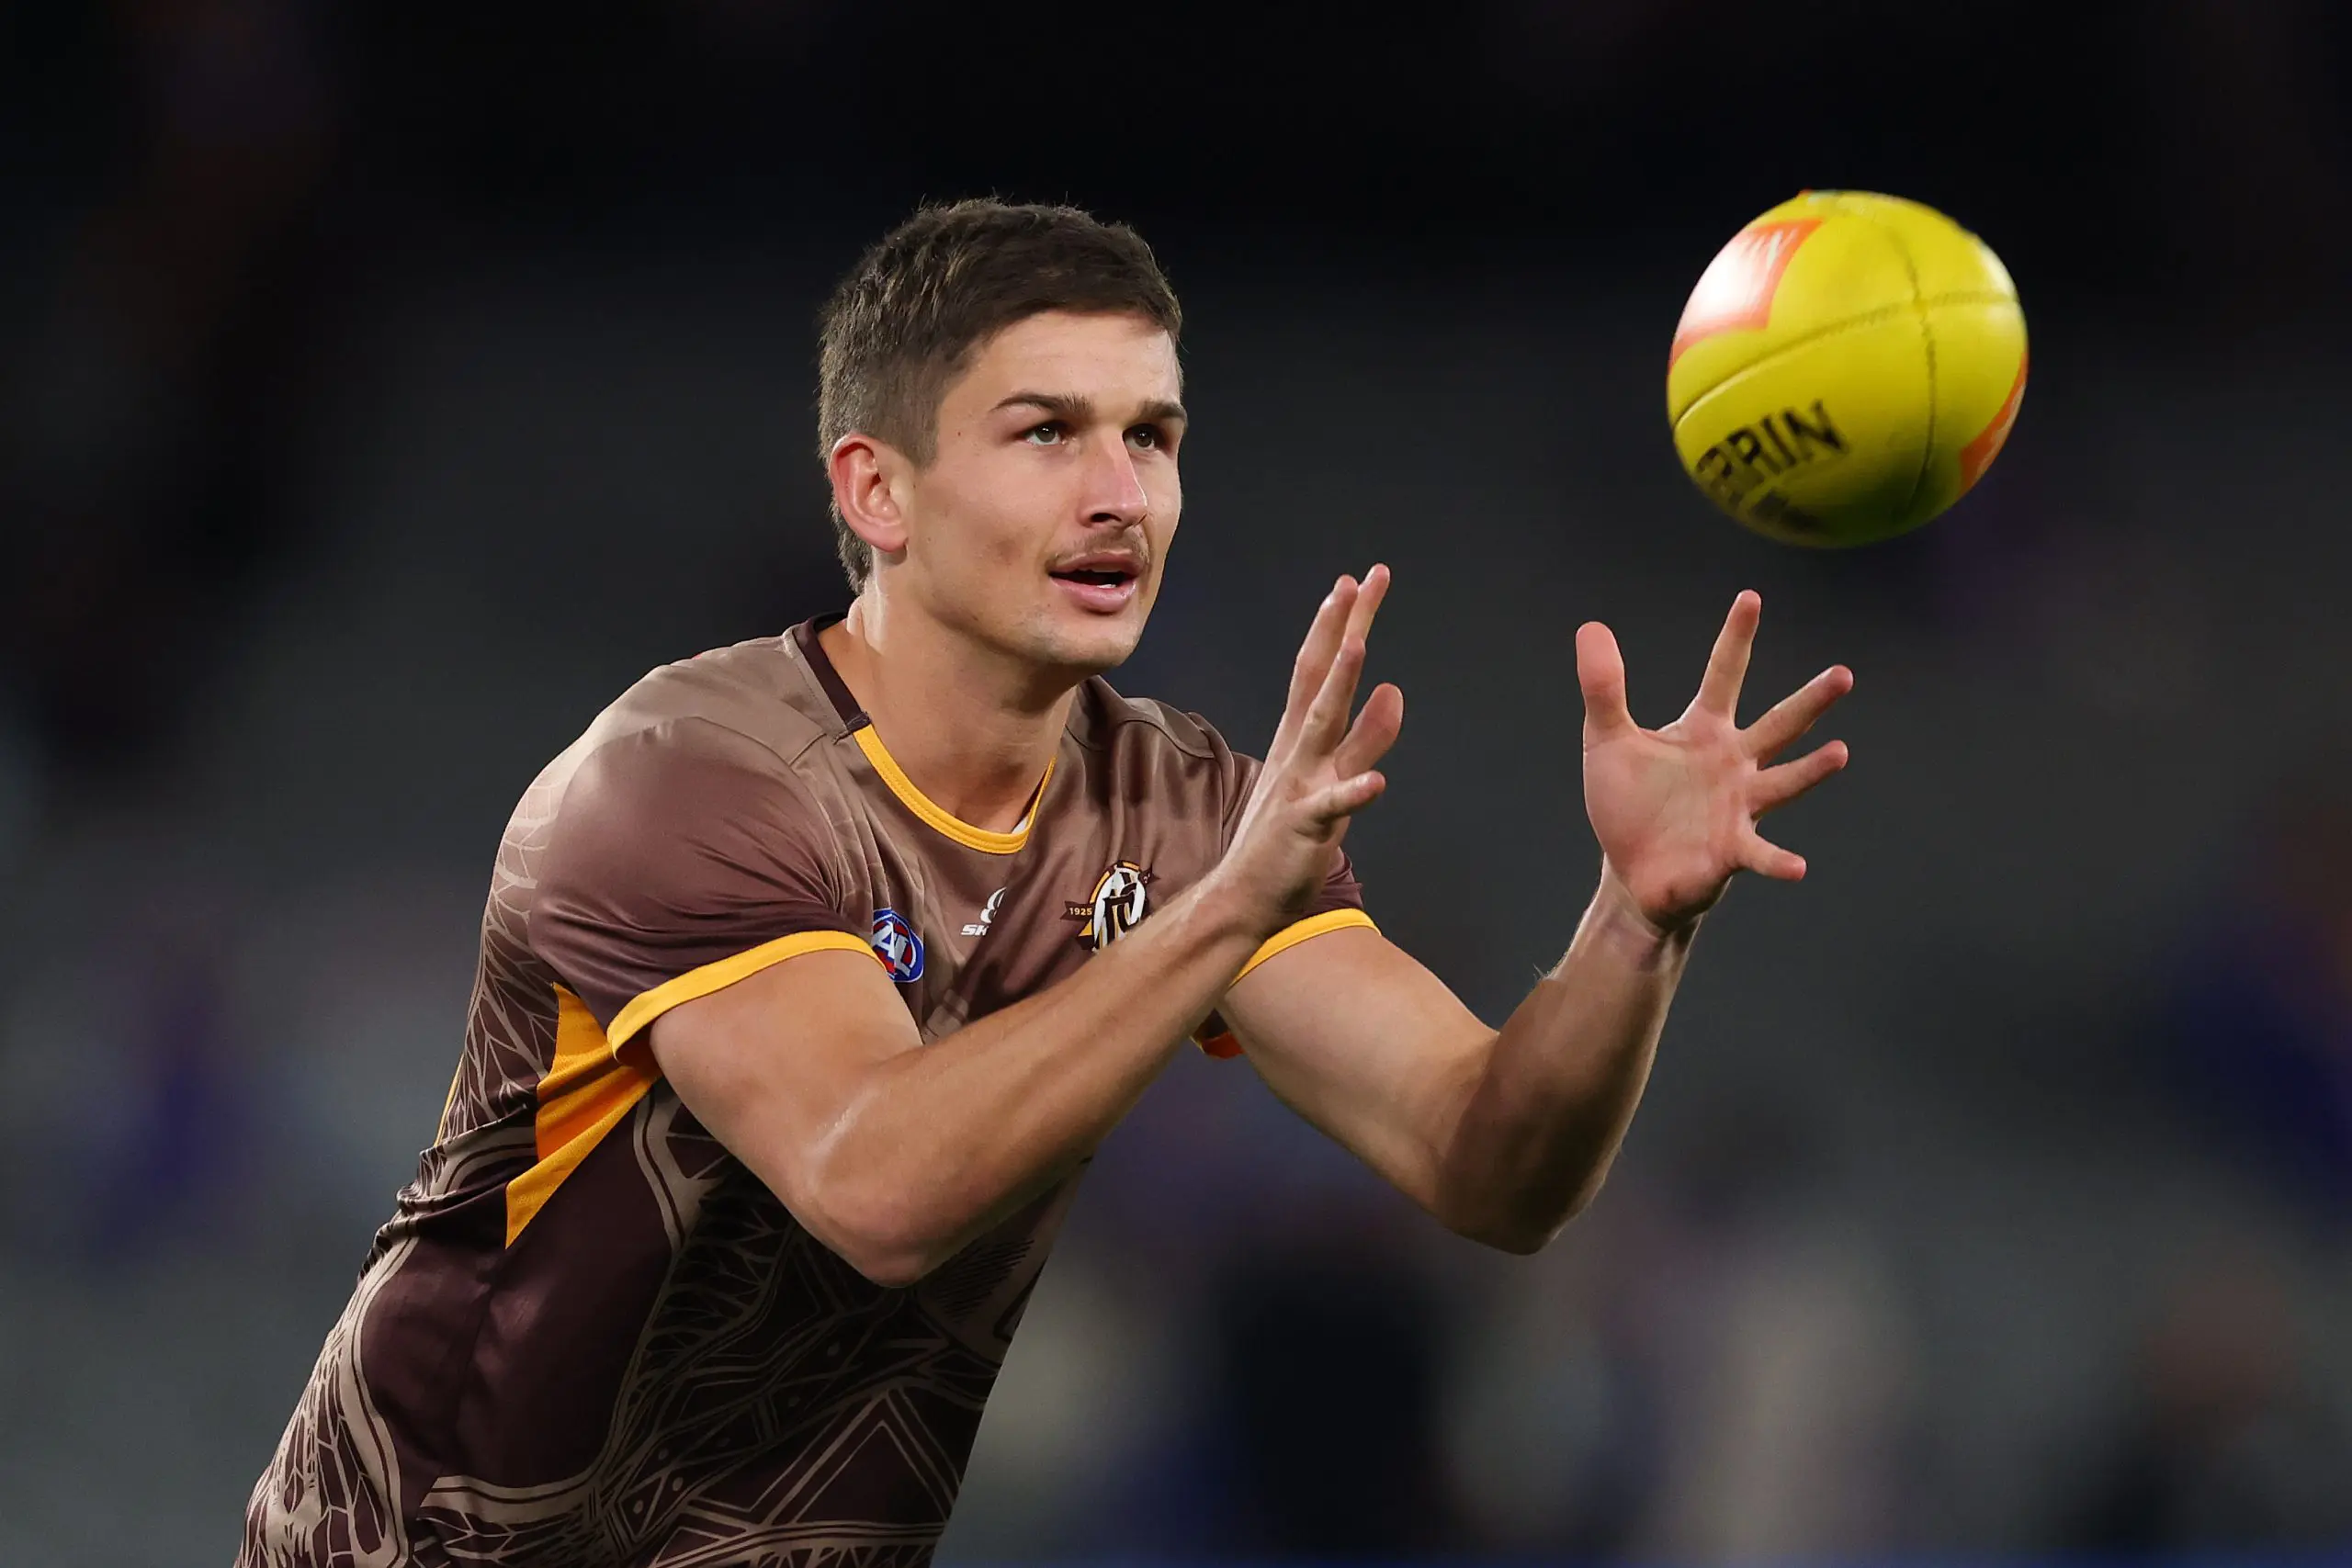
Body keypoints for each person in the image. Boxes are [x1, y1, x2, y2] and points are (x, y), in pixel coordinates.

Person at [242, 198, 1853, 1567]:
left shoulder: (1185, 807)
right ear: (875, 491)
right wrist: (1218, 915)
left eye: (1152, 435)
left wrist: (1633, 923)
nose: (1120, 494)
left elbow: (1491, 1164)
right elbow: (877, 1186)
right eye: (1047, 433)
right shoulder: (690, 777)